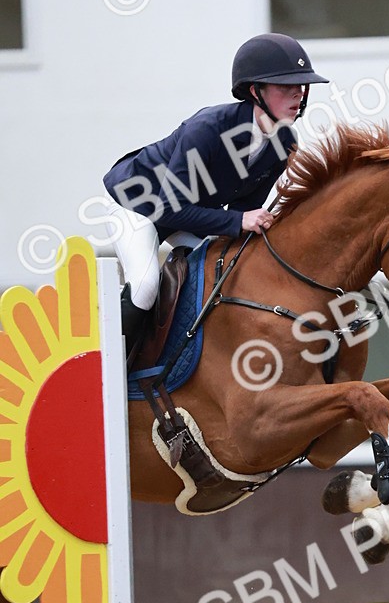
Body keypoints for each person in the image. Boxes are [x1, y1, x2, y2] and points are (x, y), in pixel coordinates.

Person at [102, 33, 328, 359]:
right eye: (285, 86)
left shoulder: (283, 144)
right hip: (137, 203)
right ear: (255, 92)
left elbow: (241, 213)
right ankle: (110, 370)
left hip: (185, 212)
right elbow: (169, 209)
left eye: (302, 86)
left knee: (230, 273)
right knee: (146, 284)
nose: (298, 93)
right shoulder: (207, 130)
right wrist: (239, 220)